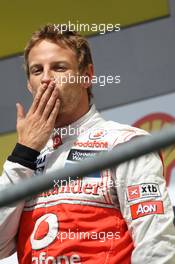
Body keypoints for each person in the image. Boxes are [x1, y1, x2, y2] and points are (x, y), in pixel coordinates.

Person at [0, 24, 175, 264]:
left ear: (87, 76)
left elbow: (156, 245)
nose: (47, 79)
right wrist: (24, 153)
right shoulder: (24, 161)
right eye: (37, 70)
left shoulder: (124, 144)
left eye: (59, 68)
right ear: (30, 85)